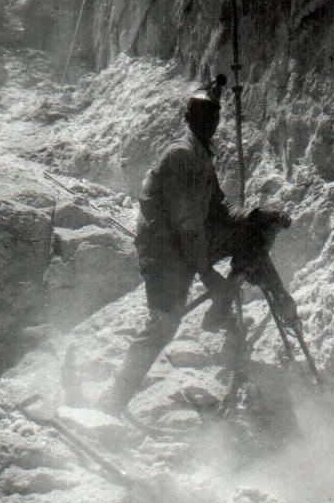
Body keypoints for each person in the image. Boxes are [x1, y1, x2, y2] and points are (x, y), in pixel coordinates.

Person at [97, 85, 297, 417]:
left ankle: (227, 311)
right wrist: (208, 275)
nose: (210, 122)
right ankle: (113, 401)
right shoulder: (181, 156)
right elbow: (187, 225)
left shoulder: (201, 157)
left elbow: (218, 211)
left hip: (187, 246)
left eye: (214, 115)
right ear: (189, 117)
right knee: (165, 324)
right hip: (164, 255)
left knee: (253, 235)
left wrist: (255, 216)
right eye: (203, 115)